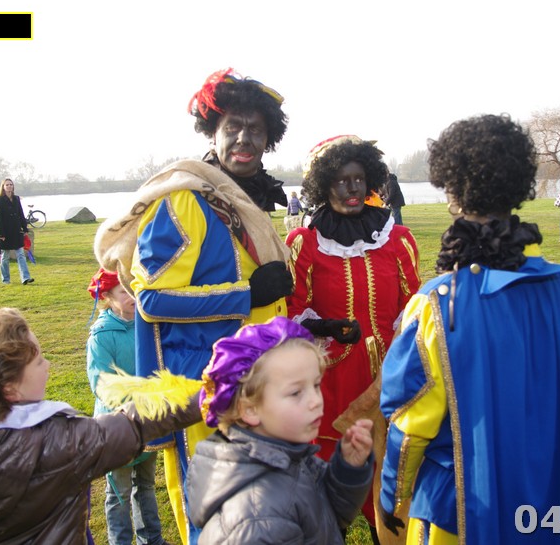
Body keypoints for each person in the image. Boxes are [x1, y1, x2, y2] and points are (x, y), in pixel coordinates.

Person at [378, 115, 560, 545]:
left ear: (452, 194)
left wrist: (392, 497)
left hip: (461, 510)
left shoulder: (439, 304)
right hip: (559, 494)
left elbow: (410, 421)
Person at [94, 68, 294, 545]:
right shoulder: (186, 200)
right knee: (215, 517)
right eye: (233, 127)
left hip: (260, 378)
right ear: (212, 133)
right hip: (205, 389)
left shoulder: (248, 200)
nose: (244, 139)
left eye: (256, 130)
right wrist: (247, 295)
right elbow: (150, 298)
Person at [0, 307, 202, 543]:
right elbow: (136, 425)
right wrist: (209, 392)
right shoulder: (57, 441)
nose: (48, 365)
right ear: (9, 388)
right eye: (38, 361)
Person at [286, 135, 421, 542]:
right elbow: (292, 311)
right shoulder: (306, 244)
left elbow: (414, 306)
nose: (352, 188)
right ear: (323, 186)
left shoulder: (397, 239)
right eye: (341, 180)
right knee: (332, 487)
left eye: (359, 178)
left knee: (392, 485)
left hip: (391, 379)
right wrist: (325, 327)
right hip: (333, 382)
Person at [186, 317, 374, 545]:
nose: (316, 400)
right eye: (296, 393)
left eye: (316, 385)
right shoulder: (258, 520)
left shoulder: (291, 455)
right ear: (249, 409)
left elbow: (326, 515)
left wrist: (348, 469)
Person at [86, 268, 170, 545]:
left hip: (148, 422)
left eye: (133, 289)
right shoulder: (101, 335)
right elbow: (101, 382)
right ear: (107, 296)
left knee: (145, 484)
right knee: (119, 491)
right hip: (118, 426)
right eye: (123, 291)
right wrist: (129, 408)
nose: (132, 296)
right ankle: (120, 541)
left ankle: (152, 539)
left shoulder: (148, 325)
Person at [0, 178, 34, 285]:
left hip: (16, 231)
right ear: (3, 187)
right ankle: (5, 279)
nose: (9, 186)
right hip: (5, 232)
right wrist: (1, 234)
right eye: (7, 185)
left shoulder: (16, 199)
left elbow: (20, 213)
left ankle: (25, 277)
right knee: (5, 257)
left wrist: (24, 228)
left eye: (11, 184)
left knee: (21, 254)